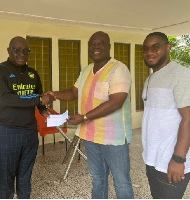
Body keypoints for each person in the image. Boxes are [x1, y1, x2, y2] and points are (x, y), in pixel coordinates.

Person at [47, 31, 134, 199]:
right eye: (92, 44)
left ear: (109, 47)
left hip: (113, 138)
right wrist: (53, 95)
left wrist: (84, 117)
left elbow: (116, 102)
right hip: (90, 136)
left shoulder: (119, 69)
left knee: (121, 181)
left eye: (101, 43)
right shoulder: (86, 71)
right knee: (98, 178)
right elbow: (73, 93)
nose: (96, 46)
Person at [0, 36, 54, 199]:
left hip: (30, 131)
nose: (21, 54)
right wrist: (38, 100)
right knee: (7, 177)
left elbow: (37, 95)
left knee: (25, 175)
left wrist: (43, 109)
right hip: (7, 131)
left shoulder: (33, 74)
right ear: (9, 50)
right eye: (17, 50)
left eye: (25, 51)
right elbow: (6, 98)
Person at [141, 32, 190, 199]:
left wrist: (178, 159)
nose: (149, 52)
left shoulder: (182, 75)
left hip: (171, 162)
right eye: (146, 49)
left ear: (168, 48)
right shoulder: (151, 79)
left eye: (155, 47)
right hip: (154, 159)